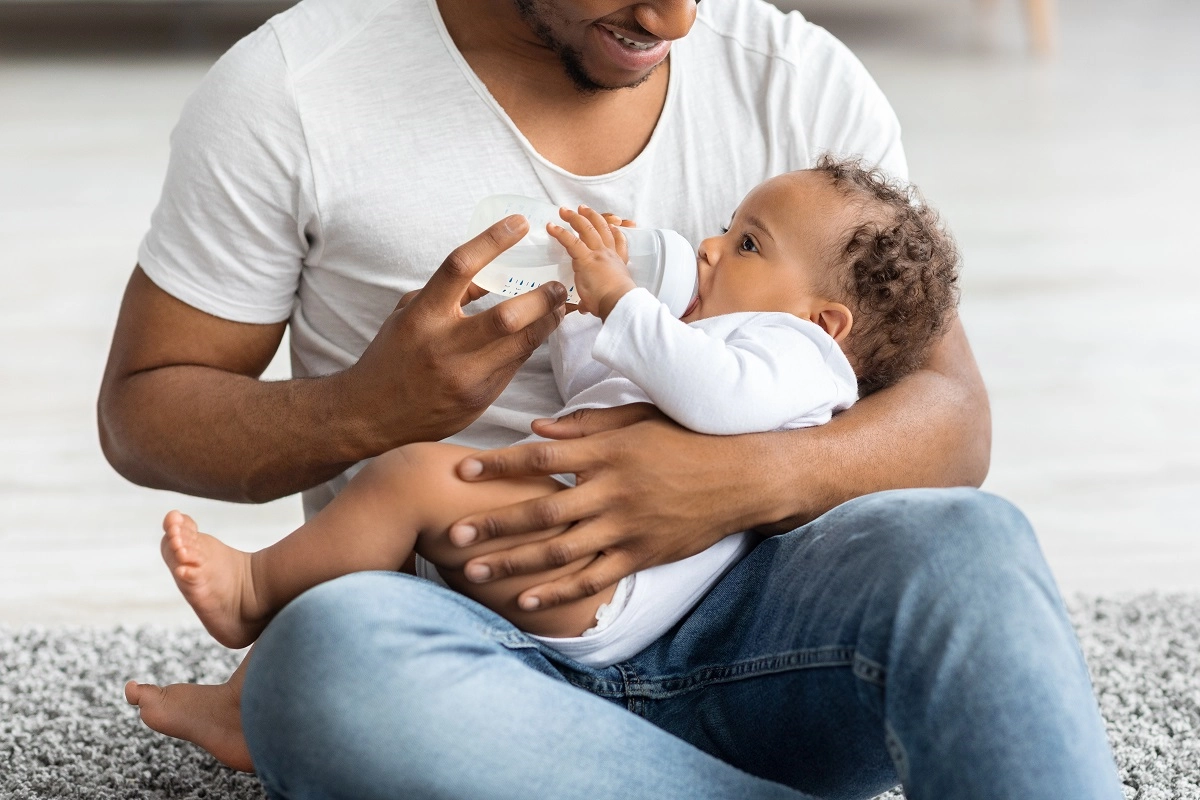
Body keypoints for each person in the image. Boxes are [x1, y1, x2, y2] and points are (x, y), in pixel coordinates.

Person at [99, 0, 1124, 797]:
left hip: (760, 635)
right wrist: (366, 410)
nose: (676, 21)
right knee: (323, 665)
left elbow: (951, 414)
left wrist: (731, 479)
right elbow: (143, 411)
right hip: (468, 655)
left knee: (969, 543)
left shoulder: (801, 82)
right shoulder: (295, 90)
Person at [126, 159, 961, 757]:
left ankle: (253, 592)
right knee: (372, 582)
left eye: (747, 246)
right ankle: (251, 702)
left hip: (604, 583)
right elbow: (599, 378)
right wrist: (581, 316)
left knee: (411, 476)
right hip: (574, 553)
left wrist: (626, 298)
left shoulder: (795, 360)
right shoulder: (723, 335)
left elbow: (715, 396)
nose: (707, 249)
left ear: (827, 323)